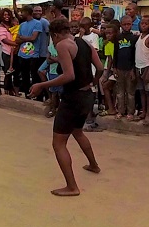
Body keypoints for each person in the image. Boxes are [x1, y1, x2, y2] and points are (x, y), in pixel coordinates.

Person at [34, 17, 102, 196]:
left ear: (55, 34)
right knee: (77, 131)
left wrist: (42, 84)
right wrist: (92, 82)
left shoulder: (62, 45)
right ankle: (93, 165)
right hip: (87, 95)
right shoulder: (84, 43)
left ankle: (72, 187)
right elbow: (100, 68)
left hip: (73, 98)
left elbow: (69, 75)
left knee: (58, 143)